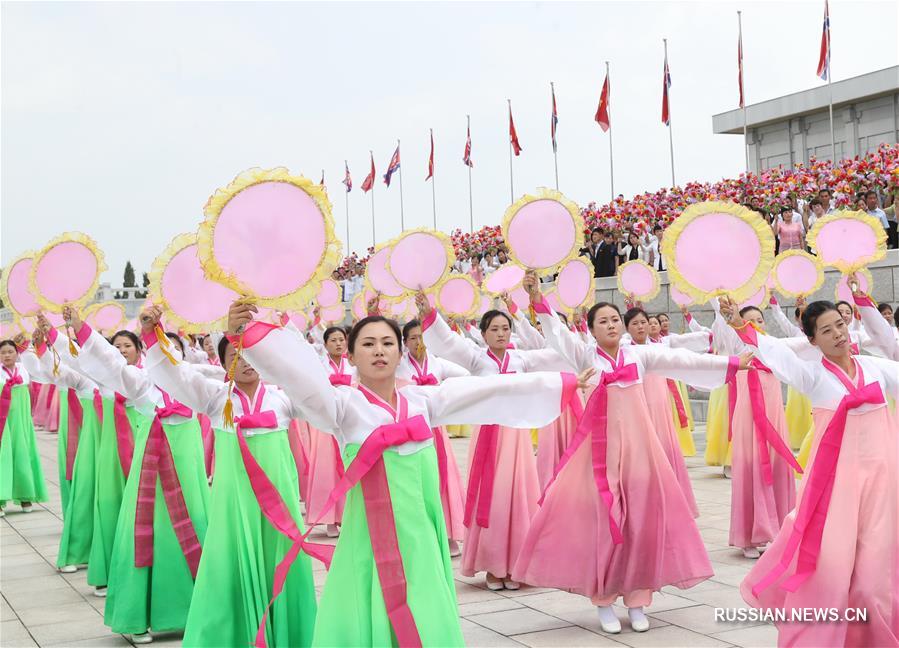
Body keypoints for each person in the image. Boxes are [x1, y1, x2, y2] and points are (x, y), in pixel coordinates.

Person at [229, 303, 590, 647]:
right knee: (372, 608)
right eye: (368, 344)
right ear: (352, 356)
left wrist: (564, 385)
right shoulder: (342, 407)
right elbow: (297, 375)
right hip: (369, 539)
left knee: (424, 603)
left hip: (420, 534)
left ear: (400, 354)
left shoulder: (423, 401)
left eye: (388, 343)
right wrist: (243, 334)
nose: (379, 351)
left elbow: (487, 389)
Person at [513, 278, 751, 634]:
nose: (611, 325)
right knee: (605, 523)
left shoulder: (640, 355)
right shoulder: (585, 356)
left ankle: (638, 600)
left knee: (641, 521)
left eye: (614, 319)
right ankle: (605, 599)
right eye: (603, 321)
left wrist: (731, 364)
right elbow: (558, 335)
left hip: (640, 452)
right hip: (599, 456)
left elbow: (681, 360)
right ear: (591, 331)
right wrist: (538, 300)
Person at [142, 306, 317, 648]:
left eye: (253, 353)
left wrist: (282, 327)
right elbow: (176, 375)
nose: (246, 360)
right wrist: (152, 334)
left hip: (279, 507)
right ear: (223, 364)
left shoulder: (283, 400)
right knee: (228, 568)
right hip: (234, 508)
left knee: (282, 564)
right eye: (236, 354)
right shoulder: (214, 399)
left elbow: (311, 377)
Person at [733, 301, 899, 647]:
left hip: (883, 489)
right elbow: (779, 354)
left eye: (840, 325)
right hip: (836, 492)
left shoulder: (876, 368)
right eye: (826, 330)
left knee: (873, 582)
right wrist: (741, 326)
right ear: (811, 340)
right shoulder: (814, 376)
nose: (838, 334)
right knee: (832, 572)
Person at [65, 306, 210, 644]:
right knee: (147, 533)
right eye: (160, 352)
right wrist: (80, 328)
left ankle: (194, 610)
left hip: (189, 474)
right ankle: (136, 618)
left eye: (172, 351)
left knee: (197, 528)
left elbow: (235, 368)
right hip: (152, 472)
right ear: (150, 356)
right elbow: (110, 362)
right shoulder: (143, 384)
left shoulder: (198, 386)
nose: (167, 358)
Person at [419, 298, 570, 591]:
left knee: (518, 494)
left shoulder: (521, 360)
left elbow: (557, 355)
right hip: (489, 436)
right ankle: (492, 564)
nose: (501, 334)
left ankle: (515, 564)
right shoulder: (478, 360)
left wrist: (542, 307)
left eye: (505, 328)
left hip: (516, 436)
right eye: (495, 329)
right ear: (484, 333)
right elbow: (449, 342)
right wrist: (429, 313)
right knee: (494, 496)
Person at [713, 298, 800, 559]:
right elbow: (721, 336)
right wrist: (723, 311)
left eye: (760, 321)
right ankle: (751, 535)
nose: (756, 325)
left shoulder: (775, 349)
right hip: (749, 419)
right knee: (752, 469)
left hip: (774, 418)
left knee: (776, 467)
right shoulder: (737, 352)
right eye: (751, 322)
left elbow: (803, 343)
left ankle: (779, 529)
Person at [22, 321, 101, 575]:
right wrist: (43, 344)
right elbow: (55, 372)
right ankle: (78, 551)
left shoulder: (124, 378)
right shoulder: (84, 381)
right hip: (91, 441)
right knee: (84, 492)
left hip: (124, 446)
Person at [397, 319, 470, 557]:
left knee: (443, 478)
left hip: (435, 429)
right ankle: (420, 535)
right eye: (413, 338)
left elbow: (466, 373)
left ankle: (448, 533)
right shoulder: (399, 366)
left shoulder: (438, 363)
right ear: (405, 342)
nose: (419, 342)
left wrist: (442, 392)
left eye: (422, 337)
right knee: (415, 479)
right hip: (409, 428)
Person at [0, 337, 47, 517]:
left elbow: (41, 373)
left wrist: (29, 347)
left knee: (23, 453)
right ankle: (1, 500)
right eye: (3, 352)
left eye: (10, 351)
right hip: (3, 422)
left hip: (21, 420)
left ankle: (25, 496)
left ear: (16, 353)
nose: (6, 355)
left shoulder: (24, 368)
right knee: (3, 456)